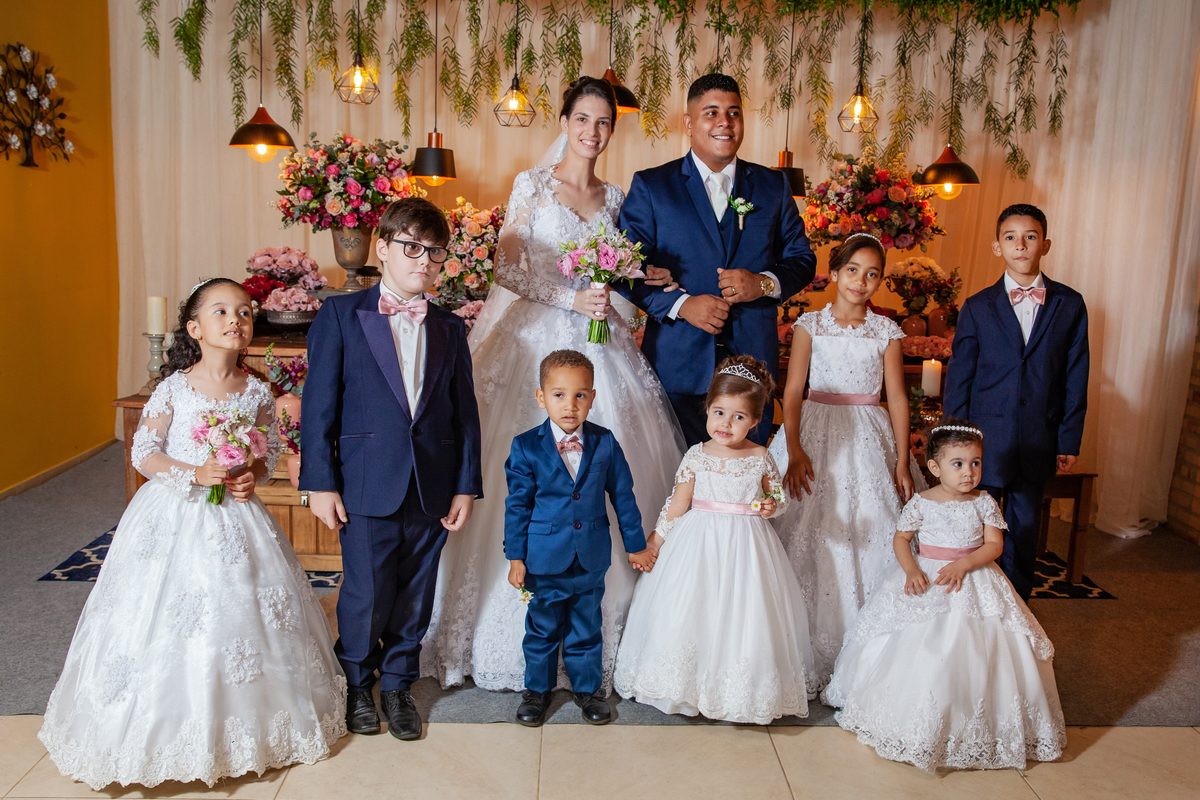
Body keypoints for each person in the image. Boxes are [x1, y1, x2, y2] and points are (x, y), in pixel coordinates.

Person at [420, 77, 685, 694]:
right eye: (583, 119)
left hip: (601, 340)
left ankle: (609, 632)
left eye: (604, 123)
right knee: (520, 463)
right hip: (535, 335)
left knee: (616, 458)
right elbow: (507, 265)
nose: (593, 132)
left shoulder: (618, 197)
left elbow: (625, 272)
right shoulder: (532, 186)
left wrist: (637, 278)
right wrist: (569, 294)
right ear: (564, 122)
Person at [39, 279, 346, 789]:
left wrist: (251, 473)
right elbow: (145, 452)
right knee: (168, 613)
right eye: (222, 311)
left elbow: (265, 455)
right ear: (194, 328)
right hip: (172, 517)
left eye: (245, 312)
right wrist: (191, 473)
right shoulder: (174, 387)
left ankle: (251, 725)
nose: (236, 320)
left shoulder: (255, 391)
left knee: (246, 609)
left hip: (236, 519)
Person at [300, 198, 483, 741]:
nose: (422, 260)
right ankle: (357, 681)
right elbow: (319, 406)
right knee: (367, 590)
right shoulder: (341, 314)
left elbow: (465, 413)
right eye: (411, 247)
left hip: (432, 481)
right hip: (365, 480)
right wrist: (320, 481)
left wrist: (465, 487)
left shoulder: (450, 328)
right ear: (382, 248)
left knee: (416, 592)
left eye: (434, 252)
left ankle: (399, 683)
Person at [823, 420, 1066, 772]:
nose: (969, 472)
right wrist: (911, 570)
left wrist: (964, 564)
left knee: (981, 643)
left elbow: (994, 545)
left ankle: (978, 723)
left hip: (975, 576)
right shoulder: (921, 503)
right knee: (916, 643)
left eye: (975, 463)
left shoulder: (984, 502)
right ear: (935, 468)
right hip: (928, 575)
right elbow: (902, 539)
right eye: (958, 464)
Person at [617, 72, 817, 446]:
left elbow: (802, 259)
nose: (725, 122)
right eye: (711, 112)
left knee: (744, 486)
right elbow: (625, 268)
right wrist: (682, 304)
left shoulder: (773, 186)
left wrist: (762, 283)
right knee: (678, 483)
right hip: (678, 366)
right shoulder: (653, 185)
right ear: (689, 124)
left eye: (734, 113)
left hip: (753, 366)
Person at [614, 357, 815, 724]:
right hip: (698, 542)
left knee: (744, 613)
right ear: (707, 410)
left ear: (755, 421)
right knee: (692, 607)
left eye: (739, 416)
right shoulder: (697, 455)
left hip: (748, 545)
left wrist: (772, 507)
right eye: (719, 412)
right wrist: (656, 541)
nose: (726, 423)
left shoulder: (760, 456)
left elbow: (779, 499)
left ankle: (736, 690)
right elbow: (677, 503)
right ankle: (684, 684)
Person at [767, 233, 919, 688]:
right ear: (833, 273)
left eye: (873, 274)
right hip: (813, 430)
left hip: (868, 437)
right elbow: (792, 390)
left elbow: (896, 398)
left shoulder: (887, 332)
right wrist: (794, 447)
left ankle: (867, 649)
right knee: (806, 528)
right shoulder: (810, 325)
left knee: (872, 526)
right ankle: (797, 643)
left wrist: (903, 460)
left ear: (880, 282)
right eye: (853, 270)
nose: (861, 281)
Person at [943, 203, 1089, 600]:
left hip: (1038, 436)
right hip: (984, 439)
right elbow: (961, 376)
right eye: (1010, 237)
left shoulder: (1070, 305)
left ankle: (1019, 606)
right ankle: (975, 602)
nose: (1020, 245)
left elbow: (1076, 376)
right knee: (977, 525)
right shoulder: (977, 306)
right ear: (997, 247)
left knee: (1024, 529)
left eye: (1030, 237)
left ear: (1046, 244)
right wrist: (954, 438)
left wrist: (1067, 441)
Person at [505, 350, 655, 726]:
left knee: (586, 626)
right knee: (541, 627)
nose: (569, 405)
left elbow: (623, 496)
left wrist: (636, 544)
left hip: (590, 554)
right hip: (543, 557)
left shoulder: (605, 442)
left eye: (580, 395)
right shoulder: (525, 446)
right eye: (558, 395)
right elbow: (517, 506)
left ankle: (587, 689)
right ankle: (536, 691)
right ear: (541, 397)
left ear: (592, 396)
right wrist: (516, 558)